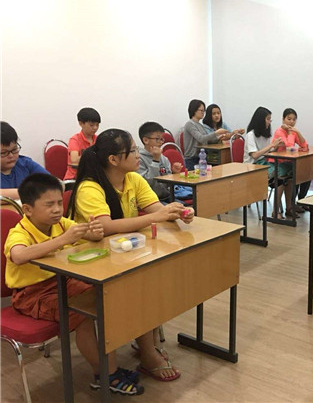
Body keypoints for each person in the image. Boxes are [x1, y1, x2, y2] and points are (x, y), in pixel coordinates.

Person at [67, 128, 195, 382]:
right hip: (90, 262)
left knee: (152, 279)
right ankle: (147, 352)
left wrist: (178, 212)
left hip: (123, 253)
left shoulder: (133, 179)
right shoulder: (90, 187)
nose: (139, 155)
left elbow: (157, 209)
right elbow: (105, 227)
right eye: (133, 151)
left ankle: (145, 344)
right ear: (114, 159)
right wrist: (156, 217)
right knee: (140, 287)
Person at [4, 173, 144, 396]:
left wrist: (95, 233)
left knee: (105, 299)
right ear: (28, 209)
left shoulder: (61, 223)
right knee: (82, 316)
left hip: (64, 280)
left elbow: (87, 235)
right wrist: (62, 240)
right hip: (31, 295)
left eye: (59, 203)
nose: (57, 209)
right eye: (49, 205)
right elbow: (19, 255)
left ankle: (109, 369)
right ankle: (105, 374)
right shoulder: (19, 232)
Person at [243, 107, 295, 219]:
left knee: (290, 172)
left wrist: (276, 146)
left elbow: (268, 151)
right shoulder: (250, 135)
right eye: (268, 119)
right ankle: (275, 212)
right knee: (280, 177)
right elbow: (255, 155)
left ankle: (289, 208)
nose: (269, 122)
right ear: (260, 120)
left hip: (265, 162)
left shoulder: (265, 134)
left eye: (270, 119)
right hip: (253, 166)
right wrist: (272, 145)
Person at [272, 108, 310, 213]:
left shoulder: (293, 132)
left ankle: (299, 202)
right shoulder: (279, 132)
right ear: (283, 119)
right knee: (294, 175)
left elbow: (304, 145)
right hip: (278, 163)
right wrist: (290, 132)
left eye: (294, 119)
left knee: (306, 173)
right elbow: (289, 147)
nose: (291, 122)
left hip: (288, 162)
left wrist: (298, 132)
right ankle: (288, 206)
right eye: (289, 119)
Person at [1, 121, 49, 200]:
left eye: (14, 150)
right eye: (3, 153)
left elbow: (54, 184)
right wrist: (33, 192)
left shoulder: (25, 163)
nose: (11, 155)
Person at [137, 121, 184, 202]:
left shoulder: (163, 158)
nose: (161, 142)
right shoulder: (138, 159)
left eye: (162, 139)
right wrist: (155, 160)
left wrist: (174, 173)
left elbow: (168, 184)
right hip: (150, 200)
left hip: (166, 196)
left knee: (186, 207)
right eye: (157, 139)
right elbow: (147, 183)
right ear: (146, 140)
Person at [183, 99, 229, 170]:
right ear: (194, 111)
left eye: (204, 111)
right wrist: (216, 132)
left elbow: (207, 141)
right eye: (201, 110)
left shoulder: (200, 125)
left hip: (201, 157)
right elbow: (201, 139)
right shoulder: (190, 124)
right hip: (191, 159)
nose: (203, 113)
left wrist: (219, 138)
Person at [63, 107, 101, 180]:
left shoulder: (98, 139)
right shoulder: (75, 140)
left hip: (93, 176)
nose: (95, 128)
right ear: (81, 123)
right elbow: (74, 160)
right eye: (91, 125)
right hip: (75, 178)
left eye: (97, 125)